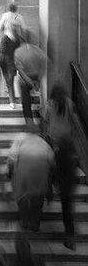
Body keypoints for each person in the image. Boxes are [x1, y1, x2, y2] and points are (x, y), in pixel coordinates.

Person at [45, 84, 78, 250]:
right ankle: (70, 236)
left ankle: (48, 191)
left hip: (54, 140)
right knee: (67, 205)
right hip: (65, 141)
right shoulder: (69, 103)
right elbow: (72, 119)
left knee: (48, 167)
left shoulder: (50, 104)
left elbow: (45, 119)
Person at [7, 124, 55, 232]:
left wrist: (10, 171)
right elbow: (52, 160)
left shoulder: (20, 138)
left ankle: (24, 220)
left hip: (23, 173)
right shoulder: (43, 142)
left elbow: (12, 157)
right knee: (37, 199)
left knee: (22, 197)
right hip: (40, 173)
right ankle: (35, 223)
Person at [14, 34, 49, 123]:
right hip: (36, 76)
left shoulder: (18, 51)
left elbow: (20, 70)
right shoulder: (37, 50)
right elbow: (46, 63)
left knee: (26, 101)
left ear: (20, 41)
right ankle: (43, 117)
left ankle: (29, 122)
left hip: (25, 79)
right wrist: (39, 79)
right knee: (42, 97)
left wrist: (29, 81)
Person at [0, 3, 25, 107]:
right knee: (11, 80)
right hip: (13, 60)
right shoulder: (20, 18)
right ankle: (14, 100)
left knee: (8, 80)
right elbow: (24, 30)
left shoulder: (4, 36)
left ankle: (12, 100)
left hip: (5, 59)